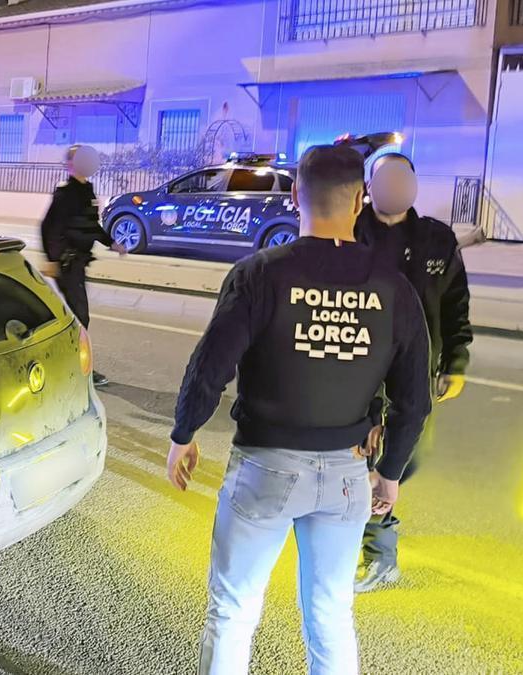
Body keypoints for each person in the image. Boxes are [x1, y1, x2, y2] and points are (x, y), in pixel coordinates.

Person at [167, 144, 432, 674]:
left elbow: (210, 364)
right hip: (345, 473)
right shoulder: (392, 287)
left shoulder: (260, 274)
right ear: (359, 200)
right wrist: (391, 471)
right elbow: (414, 398)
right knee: (331, 613)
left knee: (234, 610)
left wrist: (183, 434)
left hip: (266, 466)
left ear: (294, 196)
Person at [352, 152, 473, 592]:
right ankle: (377, 553)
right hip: (357, 369)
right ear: (369, 186)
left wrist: (456, 362)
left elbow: (456, 304)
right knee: (361, 461)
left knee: (403, 460)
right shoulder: (349, 230)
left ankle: (373, 535)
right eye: (385, 179)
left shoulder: (436, 240)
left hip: (415, 371)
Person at [39, 144, 126, 386]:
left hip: (78, 262)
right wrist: (53, 259)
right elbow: (48, 227)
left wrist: (112, 243)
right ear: (70, 165)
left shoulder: (86, 190)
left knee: (76, 316)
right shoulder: (65, 193)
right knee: (80, 316)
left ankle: (66, 362)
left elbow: (91, 225)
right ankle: (75, 366)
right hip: (68, 262)